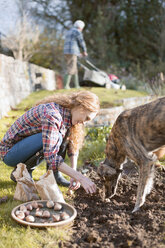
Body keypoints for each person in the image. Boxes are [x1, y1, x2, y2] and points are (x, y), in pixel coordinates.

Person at [0, 91, 100, 194]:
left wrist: (73, 174)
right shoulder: (53, 115)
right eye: (86, 118)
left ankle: (54, 175)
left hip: (21, 148)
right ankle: (24, 172)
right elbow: (51, 156)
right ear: (80, 106)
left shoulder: (67, 116)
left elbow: (72, 145)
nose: (84, 122)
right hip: (10, 153)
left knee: (61, 136)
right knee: (56, 137)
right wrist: (81, 178)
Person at [63, 20, 88, 89]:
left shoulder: (69, 31)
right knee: (71, 67)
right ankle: (66, 86)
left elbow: (72, 42)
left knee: (74, 68)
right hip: (72, 52)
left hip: (66, 52)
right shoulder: (77, 32)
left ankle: (77, 85)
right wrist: (84, 51)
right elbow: (81, 42)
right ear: (81, 27)